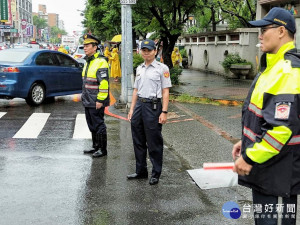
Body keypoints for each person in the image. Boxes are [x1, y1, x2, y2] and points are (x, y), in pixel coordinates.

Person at [232, 7, 300, 225]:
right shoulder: (273, 66)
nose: (260, 35)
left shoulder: (287, 70)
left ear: (281, 31)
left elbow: (281, 129)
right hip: (267, 170)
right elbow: (264, 117)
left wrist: (249, 157)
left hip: (277, 174)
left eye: (264, 29)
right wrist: (245, 142)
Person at [127, 39, 172, 185]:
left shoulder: (162, 68)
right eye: (143, 50)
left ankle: (155, 173)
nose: (146, 53)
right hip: (140, 105)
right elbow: (135, 90)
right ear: (140, 52)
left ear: (155, 51)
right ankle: (141, 171)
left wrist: (164, 111)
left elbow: (165, 91)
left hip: (153, 106)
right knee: (138, 139)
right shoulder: (139, 68)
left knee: (153, 141)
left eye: (149, 50)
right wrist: (132, 109)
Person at [81, 34, 110, 158]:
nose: (85, 48)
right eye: (84, 46)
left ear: (95, 47)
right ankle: (95, 146)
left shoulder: (101, 62)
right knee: (91, 124)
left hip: (96, 100)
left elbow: (103, 83)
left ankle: (102, 149)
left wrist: (100, 100)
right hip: (88, 99)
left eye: (87, 46)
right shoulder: (88, 61)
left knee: (98, 124)